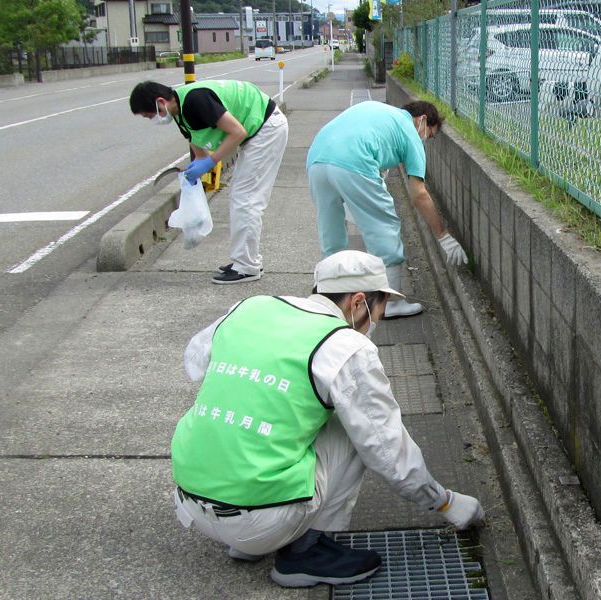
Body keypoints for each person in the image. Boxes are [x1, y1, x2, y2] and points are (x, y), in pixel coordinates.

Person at [171, 250, 485, 588]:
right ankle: (304, 554)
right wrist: (444, 503)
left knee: (279, 408)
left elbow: (196, 363)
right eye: (379, 310)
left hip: (190, 499)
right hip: (263, 519)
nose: (376, 322)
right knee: (354, 422)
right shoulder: (343, 345)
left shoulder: (250, 307)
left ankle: (248, 543)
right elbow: (387, 449)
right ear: (359, 302)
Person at [307, 100, 468, 319]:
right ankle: (390, 304)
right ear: (422, 120)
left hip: (317, 158)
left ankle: (329, 298)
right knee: (384, 227)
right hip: (354, 162)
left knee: (331, 230)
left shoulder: (378, 110)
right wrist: (444, 237)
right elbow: (419, 195)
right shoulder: (411, 134)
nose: (425, 140)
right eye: (429, 135)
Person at [130, 80, 288, 284]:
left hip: (266, 128)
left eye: (150, 115)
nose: (152, 120)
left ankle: (247, 267)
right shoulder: (181, 114)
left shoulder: (196, 99)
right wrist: (193, 173)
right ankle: (245, 260)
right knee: (241, 196)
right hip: (258, 132)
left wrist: (210, 162)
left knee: (245, 199)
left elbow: (238, 132)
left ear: (160, 101)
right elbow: (199, 151)